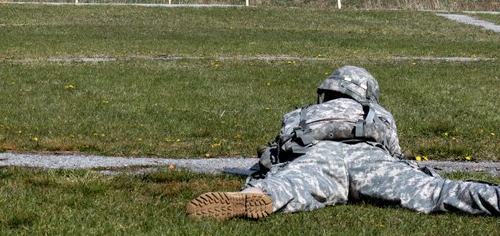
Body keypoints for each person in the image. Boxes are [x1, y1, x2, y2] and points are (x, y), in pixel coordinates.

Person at [187, 65, 500, 220]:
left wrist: (262, 174)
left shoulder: (304, 113)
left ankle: (257, 196)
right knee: (437, 192)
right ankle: (492, 197)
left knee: (290, 185)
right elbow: (393, 153)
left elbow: (281, 150)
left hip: (318, 157)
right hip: (371, 160)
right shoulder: (376, 112)